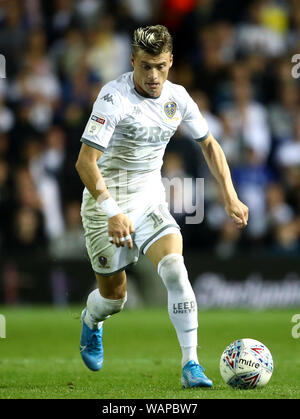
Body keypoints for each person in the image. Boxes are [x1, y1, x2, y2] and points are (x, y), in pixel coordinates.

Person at [75, 25, 249, 388]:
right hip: (104, 205)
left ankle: (191, 365)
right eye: (144, 67)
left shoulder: (178, 97)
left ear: (170, 61)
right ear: (132, 62)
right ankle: (92, 321)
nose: (153, 76)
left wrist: (230, 195)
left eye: (159, 66)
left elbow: (210, 145)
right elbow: (85, 163)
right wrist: (112, 212)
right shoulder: (113, 97)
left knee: (175, 269)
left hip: (150, 200)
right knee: (114, 299)